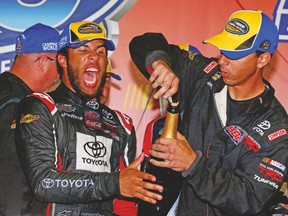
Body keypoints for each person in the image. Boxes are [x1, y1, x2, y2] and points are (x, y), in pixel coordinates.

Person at [129, 10, 288, 216]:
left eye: (234, 54)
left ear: (262, 59)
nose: (223, 60)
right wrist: (160, 63)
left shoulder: (276, 128)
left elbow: (249, 198)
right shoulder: (202, 76)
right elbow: (143, 43)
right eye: (223, 50)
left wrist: (192, 164)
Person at [16, 21, 163, 216]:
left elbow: (125, 200)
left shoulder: (122, 123)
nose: (94, 56)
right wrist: (115, 183)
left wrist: (120, 185)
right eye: (83, 50)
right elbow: (43, 182)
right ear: (63, 60)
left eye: (101, 51)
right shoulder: (40, 106)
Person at [0, 23, 59, 215]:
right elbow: (12, 174)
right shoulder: (21, 103)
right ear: (43, 61)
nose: (59, 75)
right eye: (58, 66)